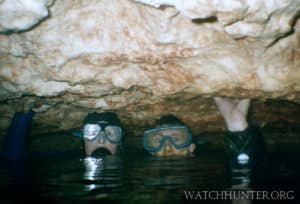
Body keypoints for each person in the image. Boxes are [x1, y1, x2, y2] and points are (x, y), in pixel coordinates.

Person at [214, 97, 260, 169]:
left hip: (238, 129)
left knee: (218, 99)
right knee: (218, 99)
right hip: (237, 129)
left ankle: (235, 100)